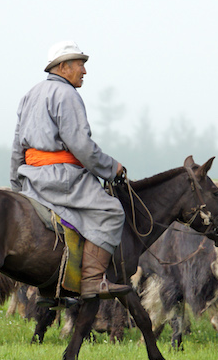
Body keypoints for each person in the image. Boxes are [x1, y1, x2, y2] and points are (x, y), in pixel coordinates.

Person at [10, 40, 131, 300]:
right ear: (63, 67)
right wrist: (112, 168)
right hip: (63, 179)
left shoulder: (30, 94)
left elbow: (16, 147)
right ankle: (92, 282)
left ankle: (50, 289)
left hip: (33, 179)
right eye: (80, 65)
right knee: (111, 211)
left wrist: (17, 186)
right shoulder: (67, 95)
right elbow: (82, 146)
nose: (84, 72)